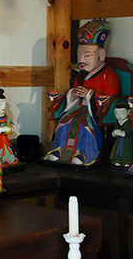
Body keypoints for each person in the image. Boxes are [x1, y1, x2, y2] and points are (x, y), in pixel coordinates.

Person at [48, 20, 124, 166]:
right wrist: (74, 93)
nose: (81, 60)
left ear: (101, 54)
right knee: (64, 121)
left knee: (84, 124)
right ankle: (59, 150)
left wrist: (90, 95)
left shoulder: (108, 75)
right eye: (79, 55)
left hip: (94, 112)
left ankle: (85, 153)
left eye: (87, 55)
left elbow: (112, 99)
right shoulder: (81, 74)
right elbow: (74, 90)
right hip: (78, 108)